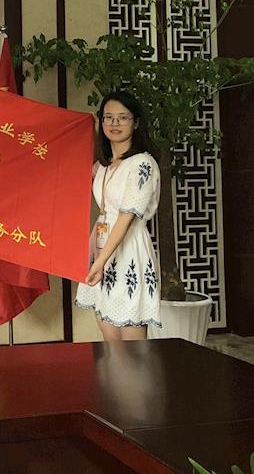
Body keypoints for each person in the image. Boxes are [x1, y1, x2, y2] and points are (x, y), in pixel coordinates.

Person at [74, 90, 161, 340]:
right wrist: (91, 256)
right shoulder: (103, 166)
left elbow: (125, 218)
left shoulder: (142, 164)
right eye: (108, 117)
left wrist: (100, 262)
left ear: (136, 123)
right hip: (101, 251)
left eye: (123, 118)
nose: (115, 123)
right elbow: (101, 211)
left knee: (133, 349)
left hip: (128, 251)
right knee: (111, 345)